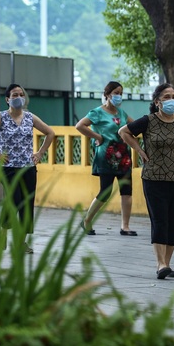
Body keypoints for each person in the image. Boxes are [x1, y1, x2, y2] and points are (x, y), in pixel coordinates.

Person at [118, 83, 174, 279]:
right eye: (166, 97)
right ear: (157, 102)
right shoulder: (148, 121)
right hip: (153, 177)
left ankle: (168, 264)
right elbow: (124, 132)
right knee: (159, 220)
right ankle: (160, 263)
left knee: (173, 221)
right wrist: (139, 150)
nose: (172, 99)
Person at [0, 83, 55, 254]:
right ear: (7, 99)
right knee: (14, 202)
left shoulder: (30, 118)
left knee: (27, 204)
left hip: (28, 167)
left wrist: (40, 153)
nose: (18, 97)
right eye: (14, 95)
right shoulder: (0, 117)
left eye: (20, 94)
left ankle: (21, 242)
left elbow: (50, 133)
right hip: (8, 168)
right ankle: (4, 231)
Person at [75, 81, 136, 236]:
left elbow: (134, 125)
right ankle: (87, 221)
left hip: (123, 156)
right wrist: (97, 136)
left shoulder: (121, 113)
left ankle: (125, 226)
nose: (119, 96)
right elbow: (80, 126)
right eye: (116, 93)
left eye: (121, 93)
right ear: (107, 94)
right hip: (106, 156)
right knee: (105, 191)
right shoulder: (97, 112)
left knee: (127, 191)